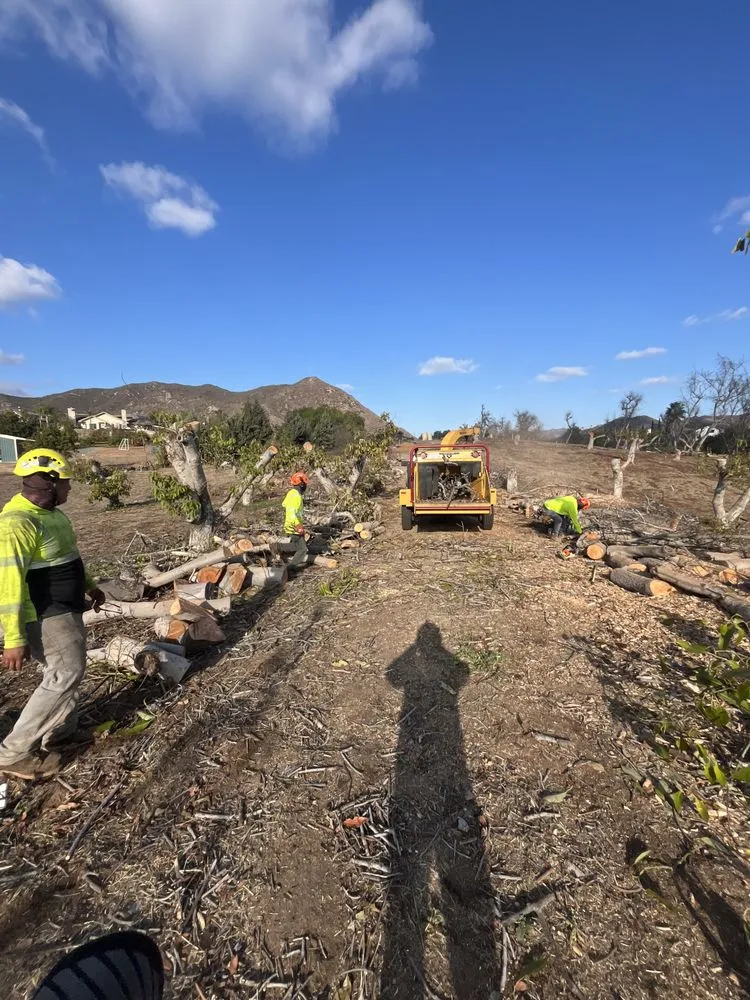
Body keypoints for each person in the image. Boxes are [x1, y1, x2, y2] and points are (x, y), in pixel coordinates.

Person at [0, 449, 105, 780]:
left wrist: (90, 586)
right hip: (45, 614)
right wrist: (14, 638)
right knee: (64, 674)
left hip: (67, 606)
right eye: (67, 483)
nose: (71, 489)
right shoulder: (17, 524)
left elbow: (68, 556)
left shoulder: (53, 516)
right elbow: (9, 586)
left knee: (68, 670)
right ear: (49, 483)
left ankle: (60, 731)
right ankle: (13, 752)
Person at [282, 471, 309, 569]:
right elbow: (291, 512)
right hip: (294, 525)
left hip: (290, 524)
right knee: (302, 549)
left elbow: (284, 504)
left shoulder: (291, 493)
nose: (306, 486)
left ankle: (278, 551)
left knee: (294, 545)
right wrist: (298, 525)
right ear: (302, 485)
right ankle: (291, 568)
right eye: (305, 484)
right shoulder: (296, 496)